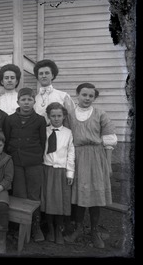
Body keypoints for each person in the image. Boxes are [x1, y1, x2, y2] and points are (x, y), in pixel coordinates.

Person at [64, 83, 117, 249]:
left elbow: (108, 141)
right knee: (79, 196)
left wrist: (108, 165)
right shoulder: (70, 115)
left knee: (95, 197)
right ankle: (78, 229)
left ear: (94, 98)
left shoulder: (100, 114)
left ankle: (94, 231)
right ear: (77, 95)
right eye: (84, 95)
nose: (87, 98)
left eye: (90, 96)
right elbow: (66, 138)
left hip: (96, 157)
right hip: (77, 157)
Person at [3, 87, 47, 242]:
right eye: (23, 99)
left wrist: (36, 157)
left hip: (34, 162)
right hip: (16, 162)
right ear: (18, 101)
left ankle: (35, 227)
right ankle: (19, 226)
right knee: (19, 195)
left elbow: (42, 141)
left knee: (34, 196)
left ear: (34, 102)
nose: (26, 102)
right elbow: (7, 140)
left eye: (29, 99)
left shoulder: (40, 120)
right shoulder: (10, 119)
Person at [41, 102, 75, 245]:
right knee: (48, 200)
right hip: (47, 169)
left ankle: (59, 229)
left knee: (61, 201)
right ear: (48, 117)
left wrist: (70, 173)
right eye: (53, 116)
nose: (56, 118)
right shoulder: (43, 131)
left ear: (64, 116)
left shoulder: (68, 133)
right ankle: (50, 229)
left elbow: (71, 153)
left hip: (61, 171)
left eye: (59, 116)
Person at [33, 59, 75, 124]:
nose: (44, 76)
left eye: (47, 73)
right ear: (37, 77)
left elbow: (72, 117)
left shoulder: (63, 96)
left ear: (52, 75)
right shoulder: (34, 98)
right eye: (41, 74)